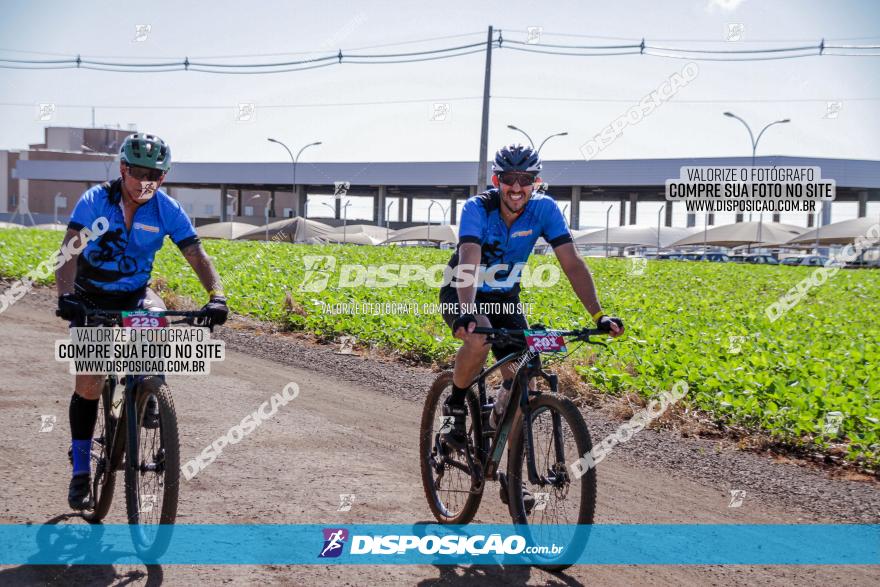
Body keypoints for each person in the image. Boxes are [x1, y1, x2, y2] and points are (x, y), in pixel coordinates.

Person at [55, 133, 229, 510]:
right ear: (123, 169)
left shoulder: (166, 209)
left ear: (163, 177)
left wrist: (216, 295)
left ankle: (149, 390)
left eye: (154, 173)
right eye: (137, 172)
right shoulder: (96, 201)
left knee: (156, 317)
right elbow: (68, 252)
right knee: (89, 381)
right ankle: (81, 470)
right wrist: (65, 297)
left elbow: (197, 255)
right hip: (89, 296)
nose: (145, 180)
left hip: (133, 293)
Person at [439, 143, 624, 450]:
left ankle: (509, 474)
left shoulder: (545, 210)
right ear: (497, 180)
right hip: (462, 292)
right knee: (479, 338)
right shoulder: (477, 208)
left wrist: (598, 315)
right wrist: (467, 310)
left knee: (526, 381)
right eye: (509, 178)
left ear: (535, 182)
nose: (516, 186)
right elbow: (469, 255)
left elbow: (573, 264)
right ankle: (455, 404)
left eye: (525, 179)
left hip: (504, 299)